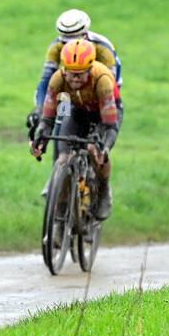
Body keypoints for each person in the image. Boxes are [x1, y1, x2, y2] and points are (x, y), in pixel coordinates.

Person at [30, 39, 120, 222]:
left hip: (103, 113)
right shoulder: (57, 79)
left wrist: (104, 147)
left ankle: (103, 191)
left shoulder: (102, 79)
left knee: (98, 152)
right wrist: (41, 139)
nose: (75, 79)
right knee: (63, 157)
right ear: (64, 69)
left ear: (90, 69)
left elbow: (110, 126)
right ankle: (61, 214)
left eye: (81, 74)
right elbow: (48, 118)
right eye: (71, 74)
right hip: (75, 109)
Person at [28, 8, 120, 133]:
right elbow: (46, 80)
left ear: (85, 35)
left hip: (100, 82)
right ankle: (60, 146)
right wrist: (39, 107)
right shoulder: (55, 47)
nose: (69, 47)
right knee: (62, 113)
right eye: (65, 41)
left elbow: (109, 82)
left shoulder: (102, 48)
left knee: (99, 121)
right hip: (71, 84)